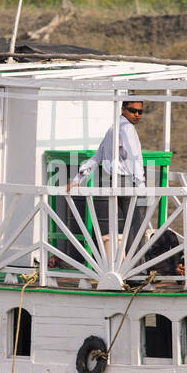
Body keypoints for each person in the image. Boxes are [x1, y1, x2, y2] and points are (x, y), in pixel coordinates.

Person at [67, 100, 146, 256]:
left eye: (140, 112)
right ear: (123, 109)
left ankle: (125, 267)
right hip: (128, 181)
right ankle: (137, 269)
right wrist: (141, 185)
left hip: (112, 180)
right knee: (136, 225)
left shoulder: (113, 128)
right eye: (132, 110)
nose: (136, 114)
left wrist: (77, 179)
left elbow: (97, 157)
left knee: (122, 226)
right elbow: (135, 158)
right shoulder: (127, 128)